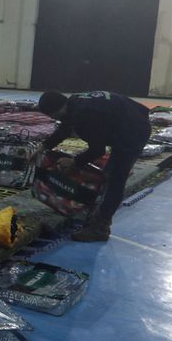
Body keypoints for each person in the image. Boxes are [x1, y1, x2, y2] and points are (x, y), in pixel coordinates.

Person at [39, 90, 151, 242]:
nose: (54, 119)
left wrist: (74, 162)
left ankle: (100, 228)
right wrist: (44, 146)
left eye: (54, 116)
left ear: (58, 110)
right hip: (130, 120)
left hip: (134, 132)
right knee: (109, 172)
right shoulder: (74, 103)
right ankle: (99, 212)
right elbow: (65, 127)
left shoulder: (85, 114)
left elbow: (97, 150)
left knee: (115, 178)